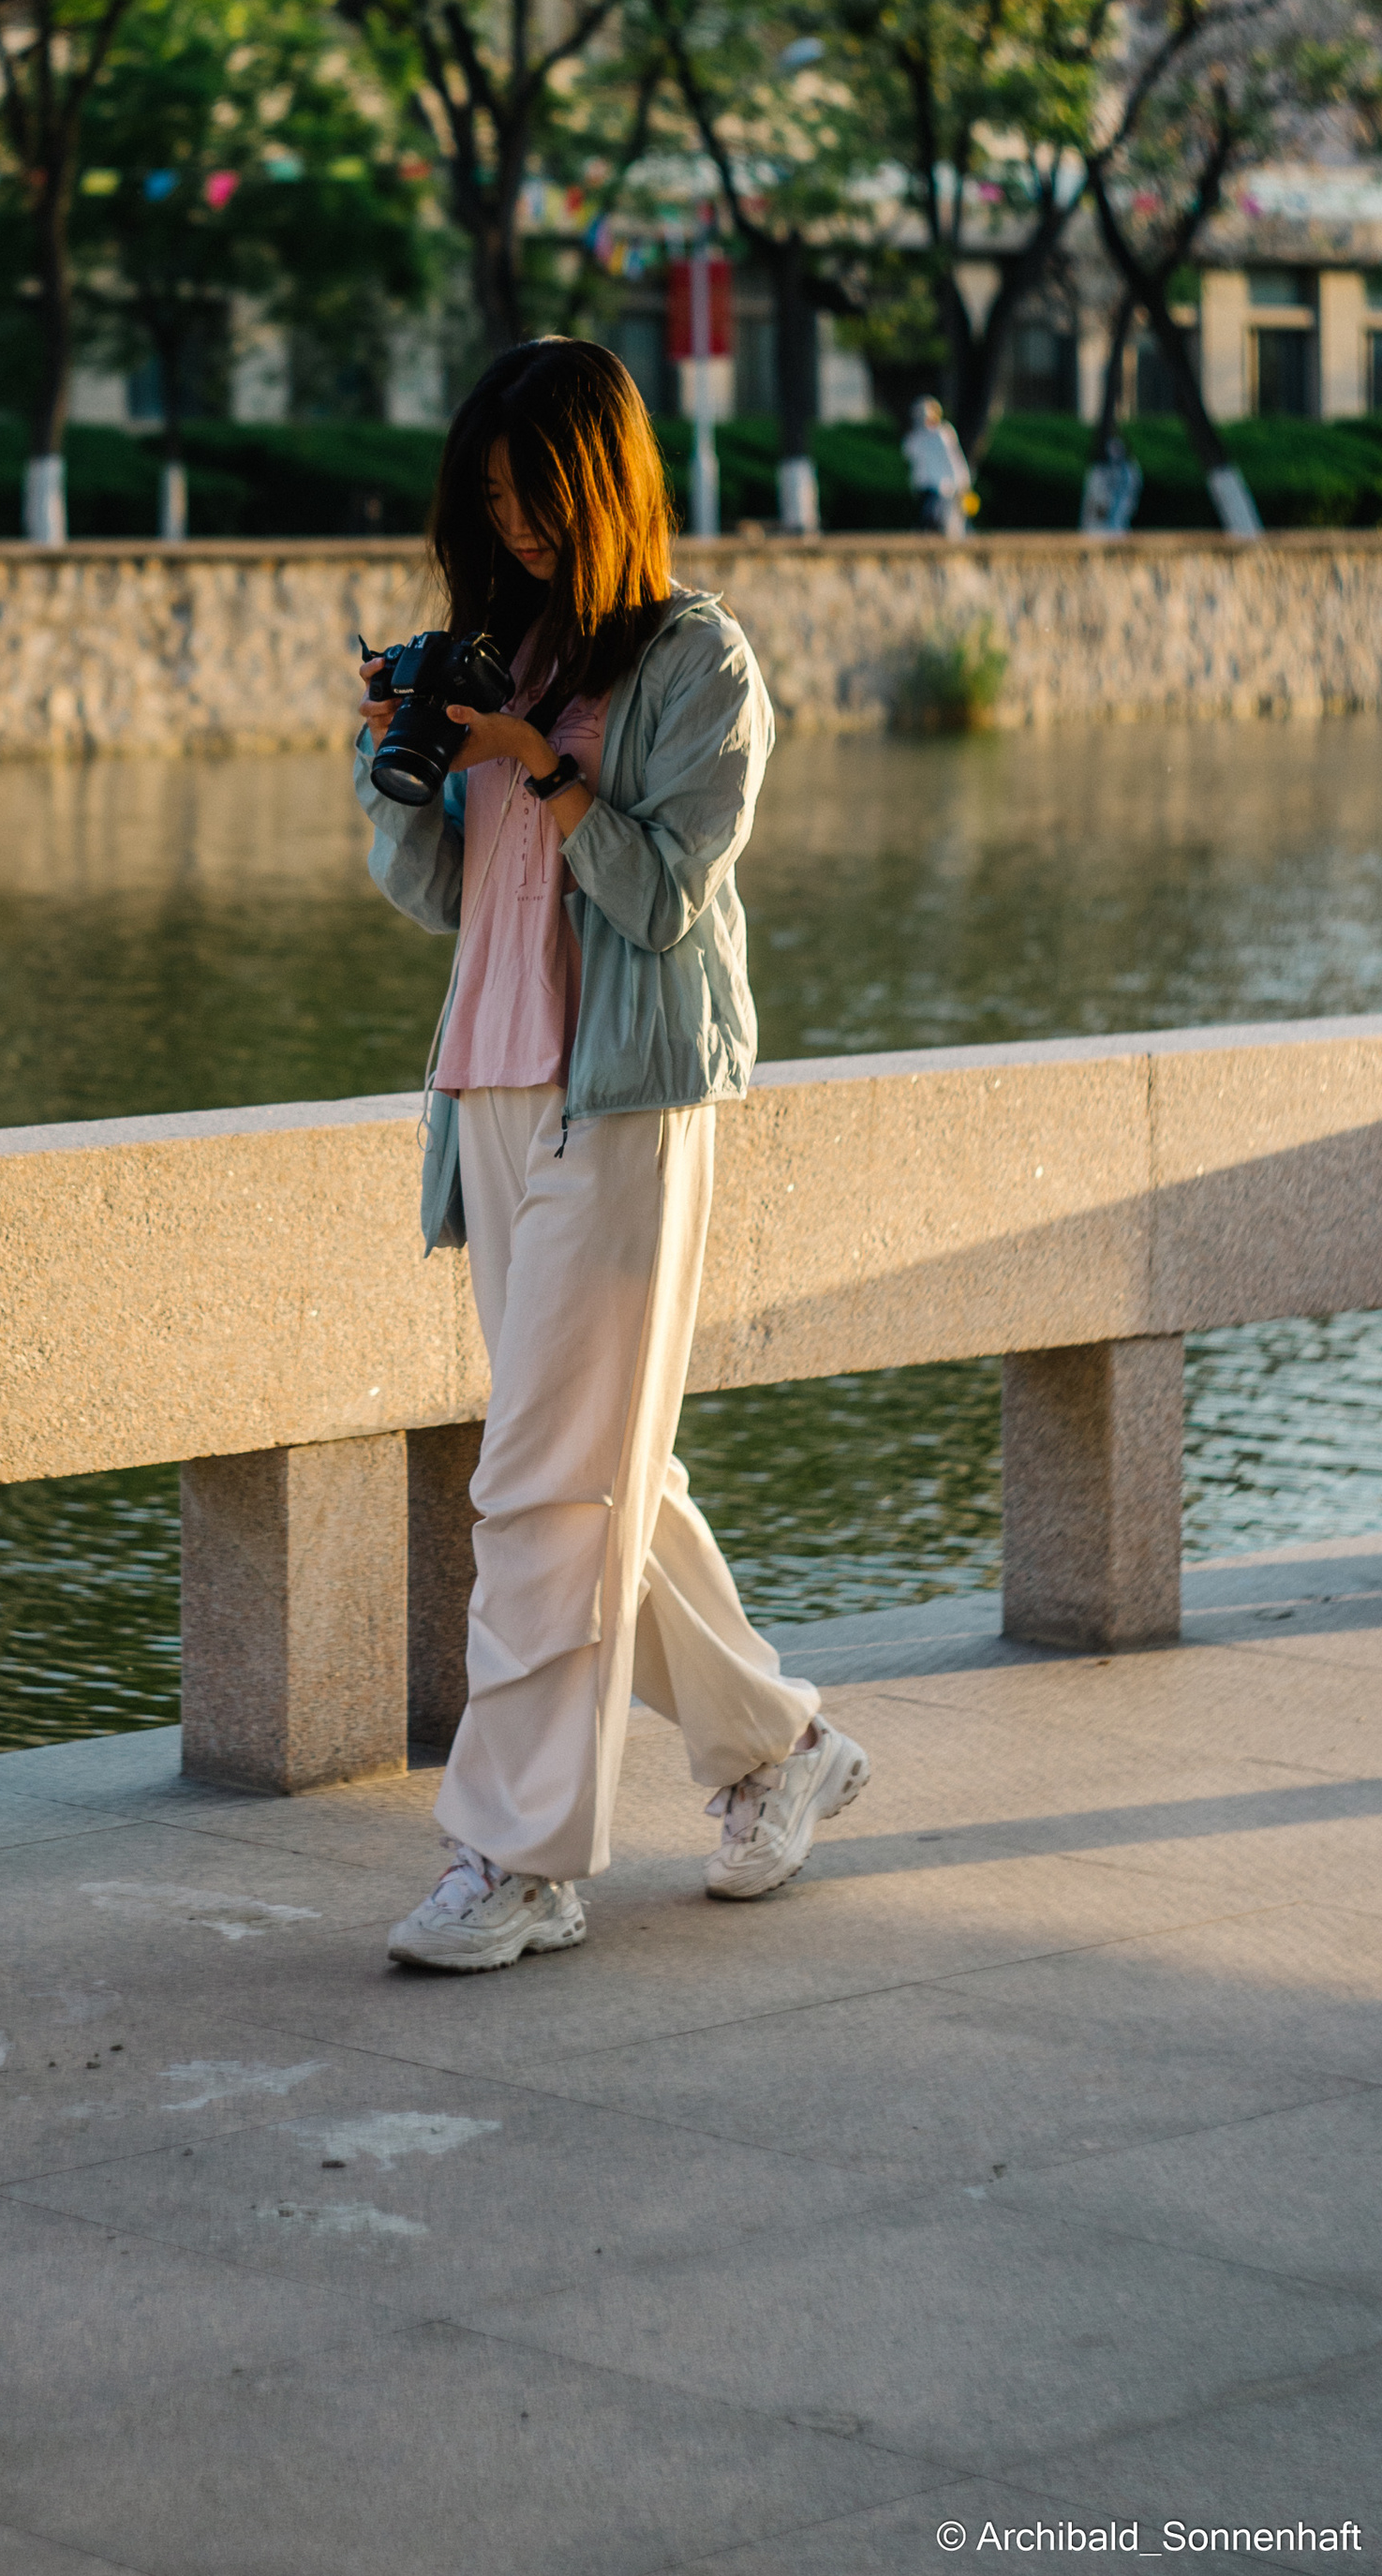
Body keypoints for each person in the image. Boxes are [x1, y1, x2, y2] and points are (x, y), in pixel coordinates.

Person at [355, 337, 869, 1973]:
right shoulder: (505, 647)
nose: (508, 526)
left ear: (598, 485)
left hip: (629, 1099)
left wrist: (545, 768)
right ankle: (784, 1748)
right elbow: (442, 895)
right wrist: (410, 765)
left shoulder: (699, 664)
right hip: (494, 1089)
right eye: (486, 500)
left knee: (540, 1488)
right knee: (597, 1480)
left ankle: (520, 1856)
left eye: (530, 495)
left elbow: (663, 888)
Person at [901, 396, 973, 538]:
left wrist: (962, 481)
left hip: (941, 485)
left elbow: (953, 459)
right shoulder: (917, 436)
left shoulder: (942, 433)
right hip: (923, 483)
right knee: (929, 515)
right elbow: (908, 452)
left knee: (941, 517)